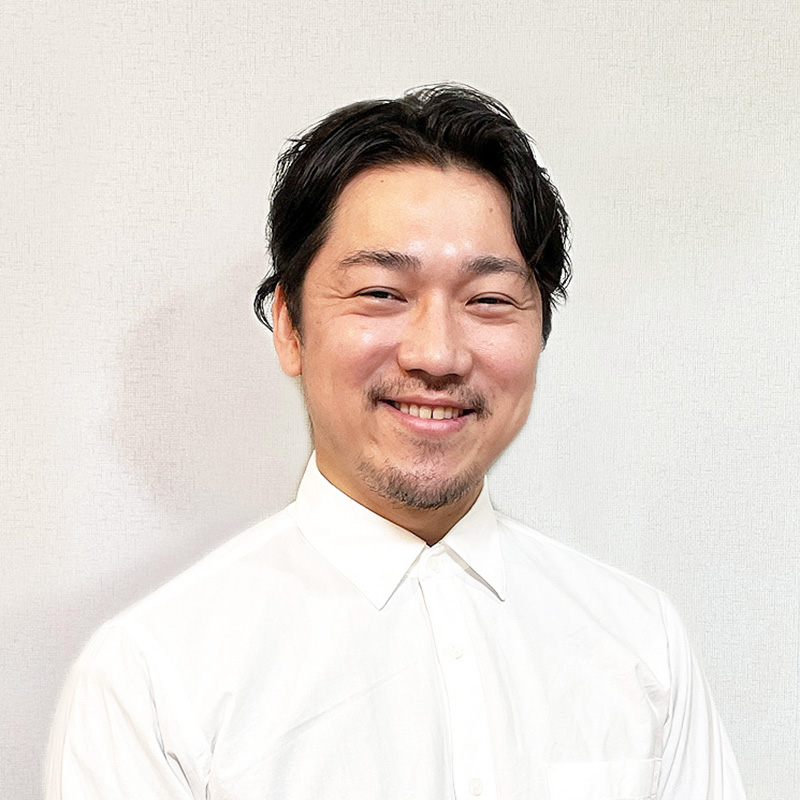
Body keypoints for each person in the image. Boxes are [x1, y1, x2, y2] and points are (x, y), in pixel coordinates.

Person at [45, 85, 746, 799]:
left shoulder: (641, 643)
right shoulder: (154, 678)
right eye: (381, 293)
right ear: (289, 326)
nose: (437, 355)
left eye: (488, 300)